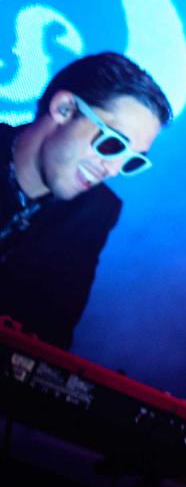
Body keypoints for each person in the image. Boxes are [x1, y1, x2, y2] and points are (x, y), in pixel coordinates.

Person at [0, 52, 170, 349]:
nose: (113, 170)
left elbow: (50, 335)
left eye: (131, 161)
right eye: (113, 143)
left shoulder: (96, 212)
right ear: (64, 109)